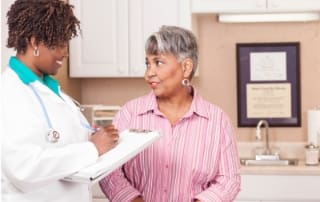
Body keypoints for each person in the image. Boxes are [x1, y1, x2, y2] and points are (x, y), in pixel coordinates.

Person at [99, 25, 241, 202]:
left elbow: (229, 180)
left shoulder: (218, 121)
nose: (148, 74)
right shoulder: (130, 114)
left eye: (158, 62)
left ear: (186, 67)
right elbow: (109, 171)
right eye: (147, 64)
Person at [1, 0, 119, 202]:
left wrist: (92, 137)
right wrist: (92, 148)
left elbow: (60, 143)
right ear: (34, 42)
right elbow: (23, 168)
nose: (65, 52)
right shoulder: (10, 93)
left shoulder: (51, 90)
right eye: (59, 43)